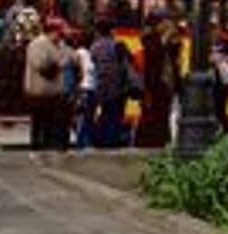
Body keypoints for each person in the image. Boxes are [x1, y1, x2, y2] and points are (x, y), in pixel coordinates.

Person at [24, 17, 70, 150]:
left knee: (51, 128)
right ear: (52, 31)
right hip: (40, 94)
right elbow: (41, 65)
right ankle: (38, 151)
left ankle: (48, 149)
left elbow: (70, 57)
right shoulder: (38, 44)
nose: (61, 36)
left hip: (53, 95)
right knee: (40, 126)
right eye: (60, 33)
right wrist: (58, 63)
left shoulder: (57, 45)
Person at [135, 13, 172, 148]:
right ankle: (152, 141)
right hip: (155, 86)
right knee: (154, 116)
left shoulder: (154, 40)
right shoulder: (153, 41)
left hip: (156, 86)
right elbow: (155, 64)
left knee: (154, 115)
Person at [90, 20, 127, 148]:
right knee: (115, 115)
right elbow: (125, 66)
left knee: (103, 113)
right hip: (117, 86)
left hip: (100, 85)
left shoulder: (94, 47)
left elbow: (94, 64)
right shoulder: (117, 45)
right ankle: (112, 140)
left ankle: (101, 139)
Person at [73, 30, 97, 149]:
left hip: (91, 88)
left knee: (88, 117)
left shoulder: (90, 52)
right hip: (84, 88)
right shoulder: (80, 53)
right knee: (84, 117)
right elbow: (77, 72)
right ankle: (83, 142)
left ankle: (84, 141)